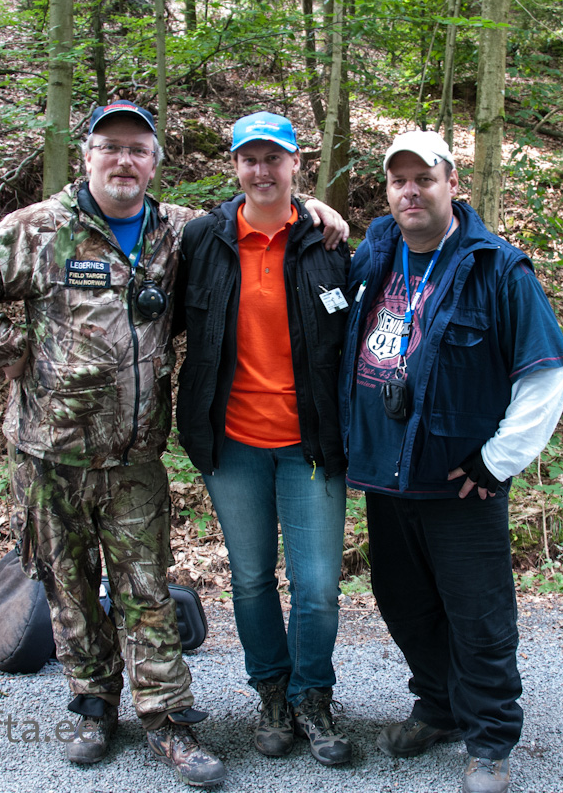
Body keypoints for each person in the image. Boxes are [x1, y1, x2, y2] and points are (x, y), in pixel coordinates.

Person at [0, 100, 345, 788]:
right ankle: (94, 706)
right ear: (87, 154)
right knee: (67, 587)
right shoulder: (39, 230)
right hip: (48, 451)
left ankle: (168, 720)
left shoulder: (179, 232)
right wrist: (7, 351)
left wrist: (320, 209)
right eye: (110, 147)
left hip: (133, 455)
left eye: (137, 150)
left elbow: (259, 208)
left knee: (147, 591)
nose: (123, 161)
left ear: (154, 163)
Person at [338, 131, 563, 793]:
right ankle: (439, 707)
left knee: (478, 614)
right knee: (404, 603)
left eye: (425, 178)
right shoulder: (374, 254)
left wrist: (498, 461)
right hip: (387, 477)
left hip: (461, 483)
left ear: (453, 183)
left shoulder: (495, 268)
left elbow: (548, 371)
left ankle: (490, 738)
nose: (411, 191)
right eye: (398, 180)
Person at [175, 112, 351, 767]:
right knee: (250, 578)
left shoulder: (328, 244)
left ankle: (313, 696)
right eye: (249, 158)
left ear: (295, 163)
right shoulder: (202, 239)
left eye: (273, 158)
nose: (261, 170)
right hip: (234, 444)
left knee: (317, 585)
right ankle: (271, 693)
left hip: (311, 444)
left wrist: (324, 213)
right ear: (235, 166)